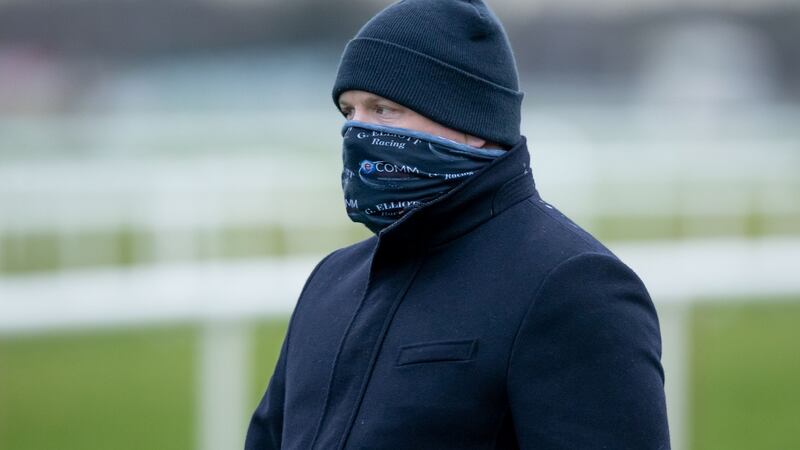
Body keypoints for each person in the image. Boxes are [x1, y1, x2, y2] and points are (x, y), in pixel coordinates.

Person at [245, 0, 670, 449]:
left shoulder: (573, 286)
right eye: (349, 111)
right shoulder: (330, 281)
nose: (356, 133)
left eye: (383, 108)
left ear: (472, 121)